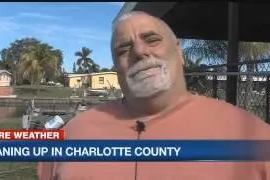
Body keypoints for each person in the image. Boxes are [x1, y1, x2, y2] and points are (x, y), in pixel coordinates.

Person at [38, 11, 270, 180]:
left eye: (152, 40)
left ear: (179, 52)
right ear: (116, 67)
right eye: (124, 49)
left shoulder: (254, 136)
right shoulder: (70, 136)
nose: (139, 52)